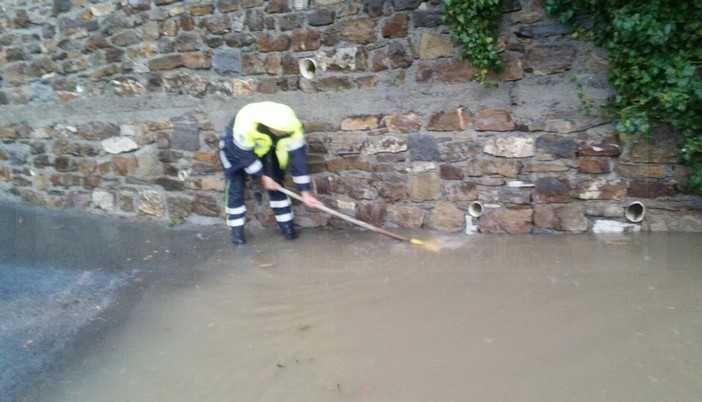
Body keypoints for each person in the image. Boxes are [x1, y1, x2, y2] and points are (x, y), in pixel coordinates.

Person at [218, 101, 323, 246]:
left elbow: (298, 160)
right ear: (270, 127)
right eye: (281, 132)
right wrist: (260, 176)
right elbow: (244, 156)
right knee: (235, 187)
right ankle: (237, 232)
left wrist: (304, 192)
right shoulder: (245, 125)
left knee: (276, 183)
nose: (284, 134)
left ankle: (287, 228)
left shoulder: (292, 128)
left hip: (265, 150)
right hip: (234, 151)